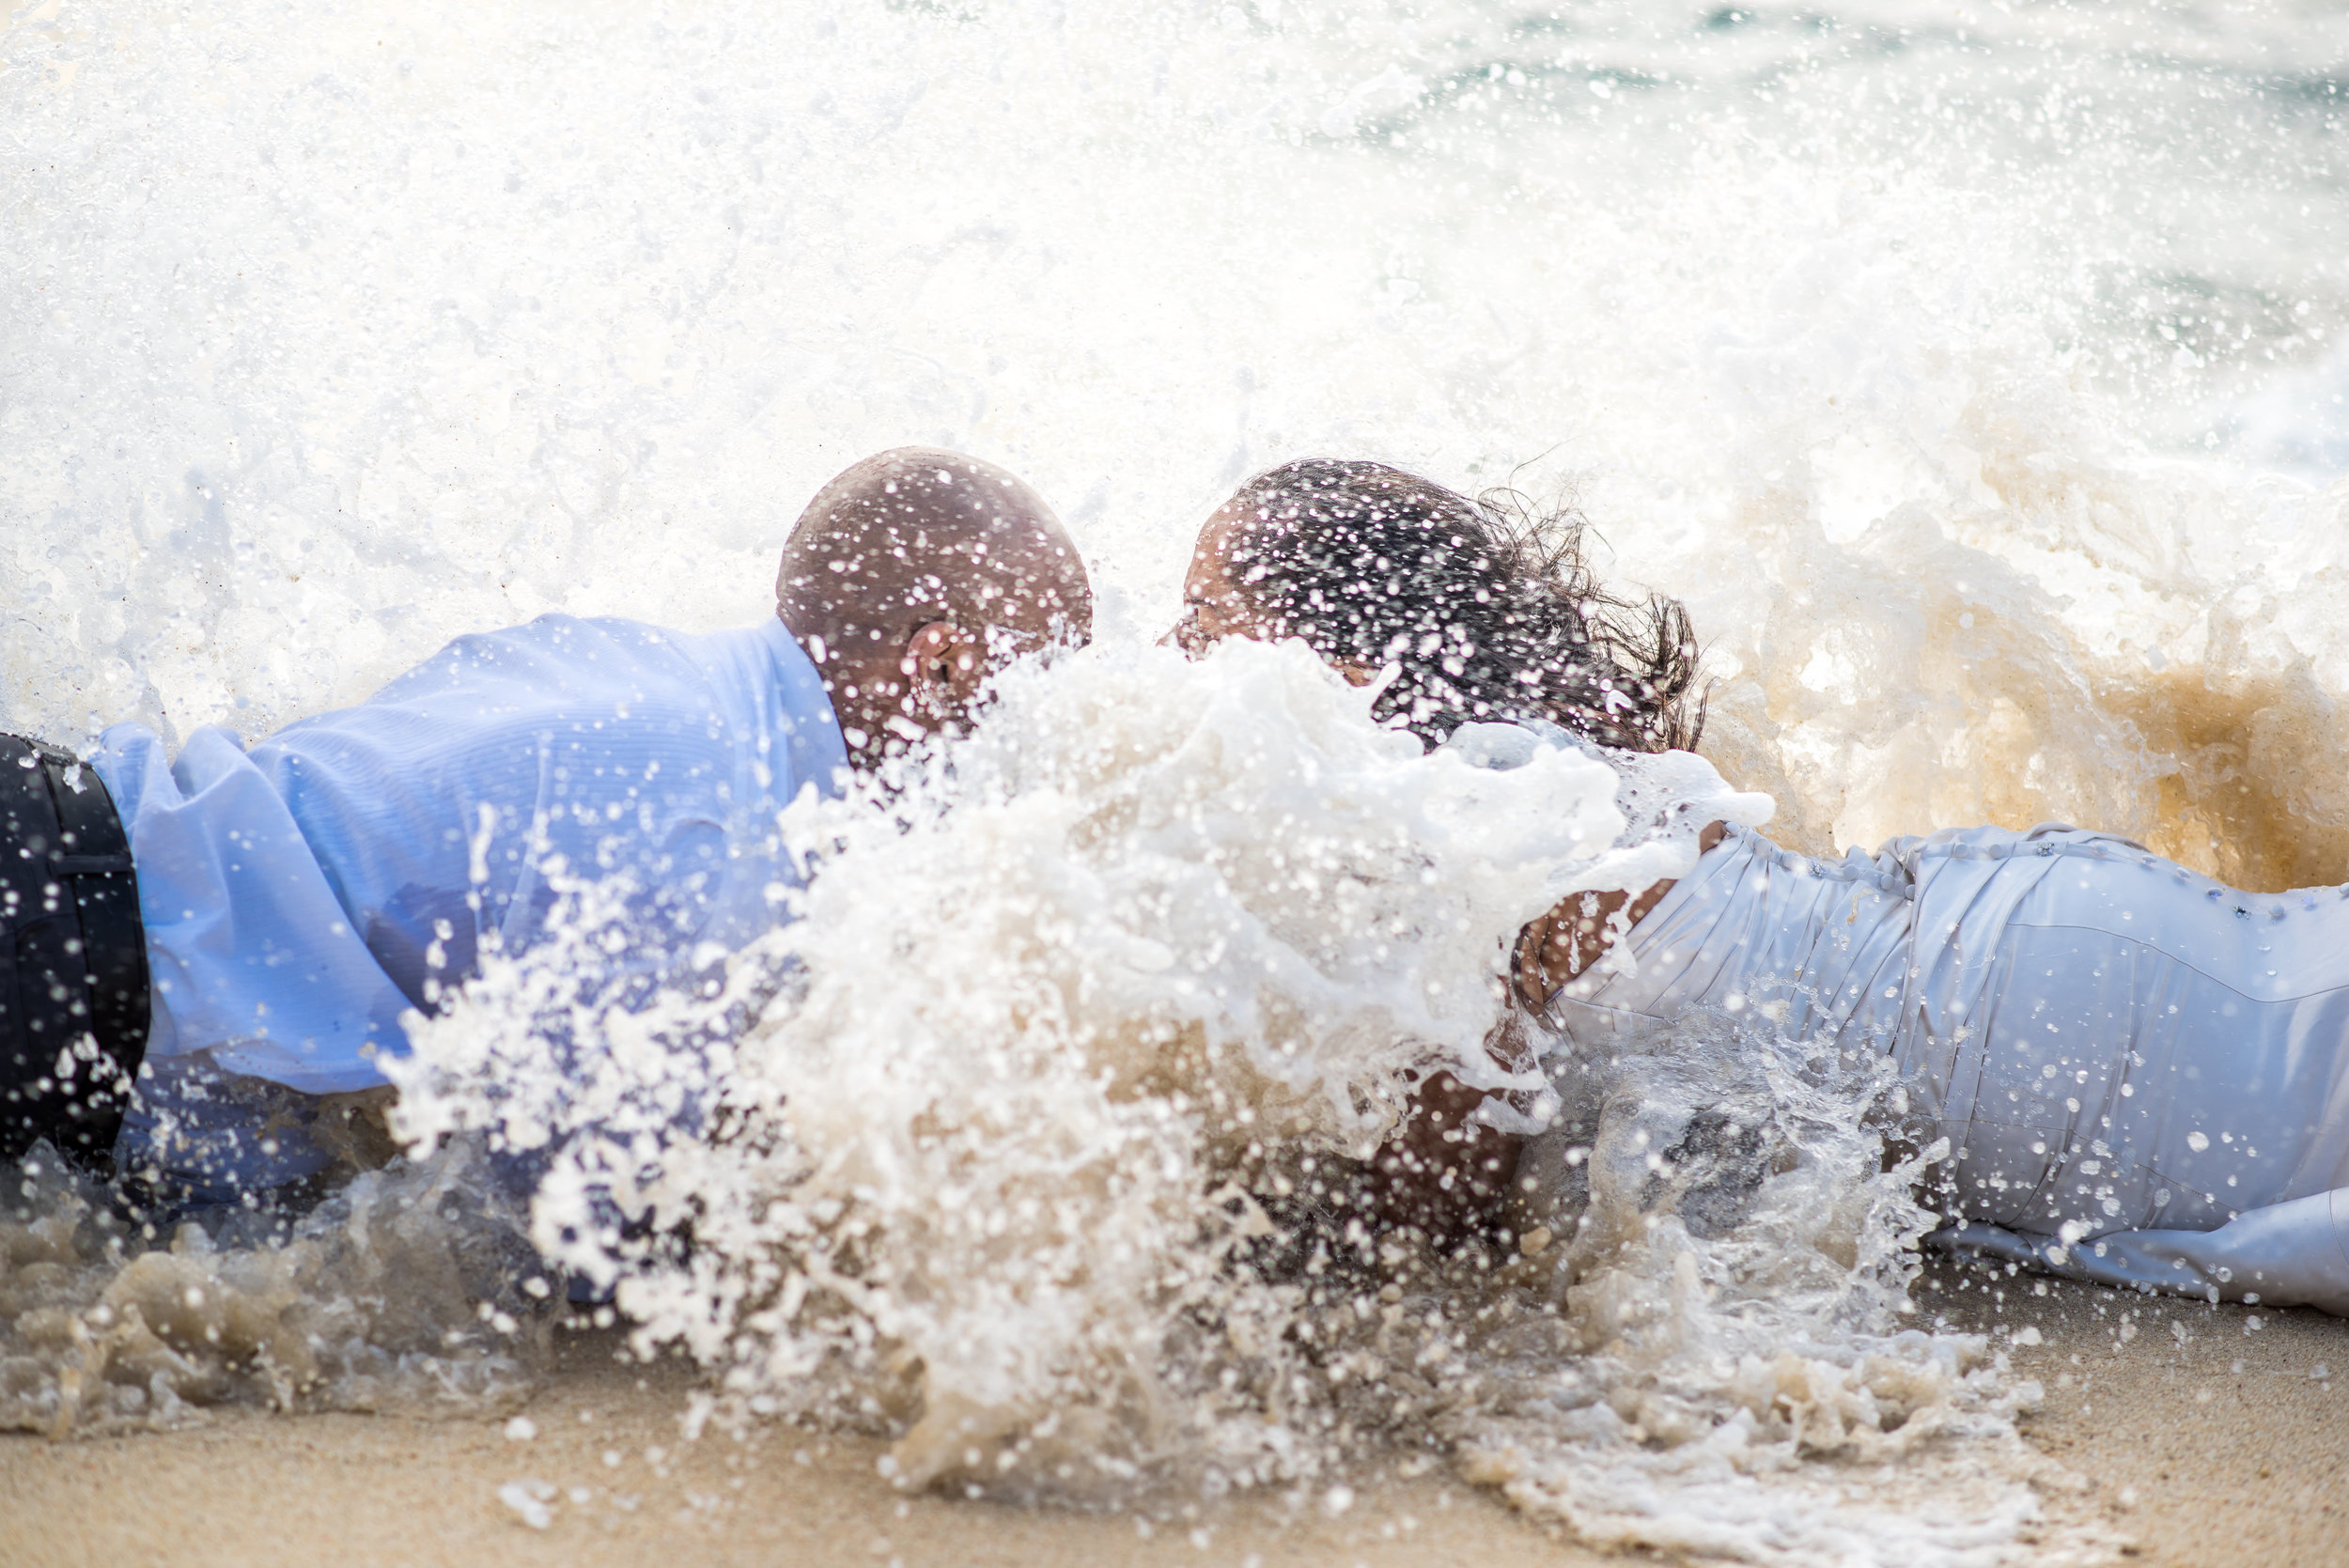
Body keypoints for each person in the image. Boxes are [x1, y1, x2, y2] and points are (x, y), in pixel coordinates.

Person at [1174, 455, 2349, 1316]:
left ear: (1338, 655)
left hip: (2018, 1021)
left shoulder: (1428, 805)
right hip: (2023, 944)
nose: (1179, 667)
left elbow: (1431, 1214)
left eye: (1206, 626)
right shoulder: (1539, 760)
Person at [0, 447, 1093, 1214]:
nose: (1033, 752)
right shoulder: (717, 836)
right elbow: (559, 1229)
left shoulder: (647, 671)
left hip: (57, 815)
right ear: (939, 664)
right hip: (50, 964)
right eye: (1039, 692)